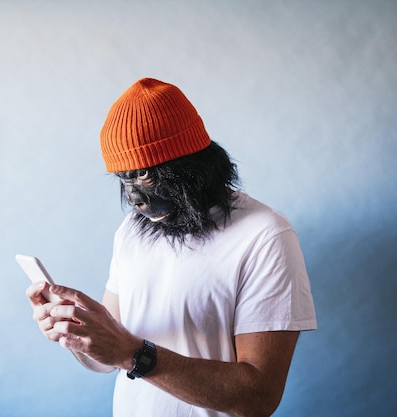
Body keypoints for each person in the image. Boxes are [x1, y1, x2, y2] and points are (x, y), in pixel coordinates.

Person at [26, 78, 317, 417]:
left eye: (145, 174)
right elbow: (108, 357)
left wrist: (133, 355)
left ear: (192, 165)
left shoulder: (265, 236)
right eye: (124, 178)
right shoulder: (132, 233)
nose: (133, 199)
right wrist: (76, 333)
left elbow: (258, 397)